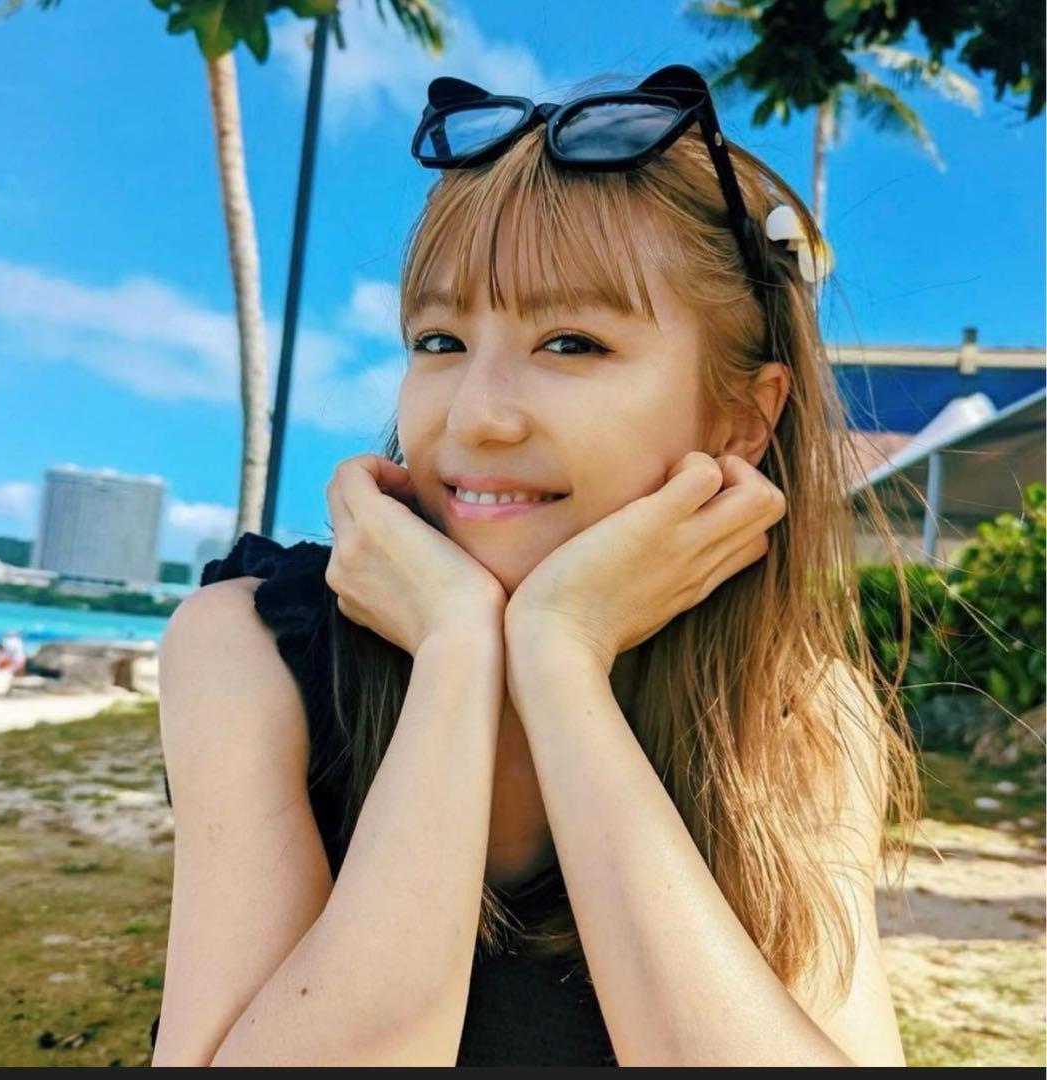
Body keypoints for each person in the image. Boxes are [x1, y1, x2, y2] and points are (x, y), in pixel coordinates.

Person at [150, 64, 920, 1067]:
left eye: (569, 343)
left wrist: (560, 657)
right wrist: (456, 655)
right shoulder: (249, 653)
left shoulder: (795, 716)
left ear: (743, 416)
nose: (476, 416)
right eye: (439, 340)